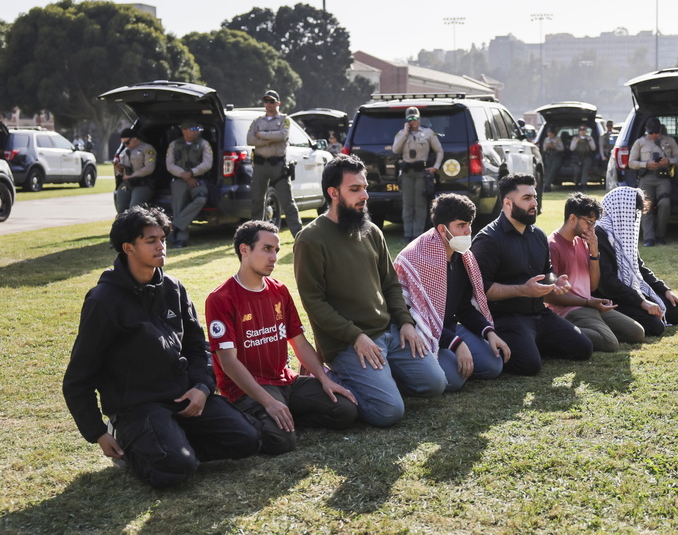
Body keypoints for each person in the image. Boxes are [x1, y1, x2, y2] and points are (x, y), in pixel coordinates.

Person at [62, 206, 261, 489]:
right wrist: (97, 432)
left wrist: (203, 388)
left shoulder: (174, 289)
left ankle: (172, 443)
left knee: (248, 439)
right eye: (151, 240)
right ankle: (149, 446)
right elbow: (78, 378)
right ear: (128, 248)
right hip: (138, 407)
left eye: (163, 239)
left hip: (183, 398)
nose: (161, 246)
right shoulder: (103, 301)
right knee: (176, 471)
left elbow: (197, 346)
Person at [293, 155, 447, 427]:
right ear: (333, 193)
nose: (364, 194)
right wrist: (355, 336)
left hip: (389, 332)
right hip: (348, 343)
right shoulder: (310, 238)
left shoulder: (372, 231)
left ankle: (382, 377)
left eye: (364, 187)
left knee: (436, 384)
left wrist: (406, 323)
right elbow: (313, 303)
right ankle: (329, 378)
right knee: (388, 412)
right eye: (355, 189)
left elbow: (390, 283)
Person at [205, 221, 357, 454]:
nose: (274, 257)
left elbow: (298, 341)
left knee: (346, 410)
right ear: (244, 250)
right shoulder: (220, 298)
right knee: (282, 442)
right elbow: (228, 362)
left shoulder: (279, 290)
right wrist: (267, 401)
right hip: (248, 388)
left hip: (285, 381)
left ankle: (284, 415)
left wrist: (325, 379)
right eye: (267, 249)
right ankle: (258, 417)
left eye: (276, 250)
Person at [471, 173, 593, 376]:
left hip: (540, 314)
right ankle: (525, 346)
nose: (534, 203)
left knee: (583, 349)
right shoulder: (488, 240)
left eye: (535, 197)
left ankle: (531, 344)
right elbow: (481, 290)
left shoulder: (537, 235)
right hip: (507, 318)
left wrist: (556, 281)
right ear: (508, 203)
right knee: (529, 366)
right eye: (527, 198)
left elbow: (548, 272)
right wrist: (523, 290)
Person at [394, 193, 510, 391]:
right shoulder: (416, 257)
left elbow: (464, 307)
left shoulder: (463, 256)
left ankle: (454, 362)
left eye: (469, 224)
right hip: (420, 332)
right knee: (455, 378)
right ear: (442, 229)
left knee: (494, 364)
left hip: (448, 328)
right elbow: (417, 318)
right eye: (461, 225)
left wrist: (488, 332)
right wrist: (457, 344)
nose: (468, 231)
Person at [547, 193, 645, 351]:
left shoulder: (583, 241)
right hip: (569, 310)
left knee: (636, 333)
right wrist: (587, 302)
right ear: (573, 218)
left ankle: (591, 330)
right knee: (610, 343)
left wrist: (594, 252)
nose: (593, 229)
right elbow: (550, 296)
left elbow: (593, 286)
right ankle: (557, 331)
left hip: (589, 304)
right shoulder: (553, 245)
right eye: (590, 222)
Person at [593, 187, 678, 337]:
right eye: (633, 212)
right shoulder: (599, 234)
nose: (635, 217)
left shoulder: (622, 228)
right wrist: (641, 302)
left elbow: (639, 268)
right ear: (621, 209)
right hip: (612, 297)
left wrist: (665, 290)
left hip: (631, 290)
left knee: (677, 312)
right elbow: (607, 284)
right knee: (655, 326)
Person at [247, 90, 302, 236]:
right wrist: (272, 137)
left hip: (278, 165)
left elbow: (282, 135)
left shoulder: (284, 119)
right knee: (257, 200)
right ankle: (256, 234)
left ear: (278, 103)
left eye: (271, 101)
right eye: (266, 101)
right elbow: (250, 140)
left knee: (287, 202)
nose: (268, 104)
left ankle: (298, 235)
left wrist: (262, 135)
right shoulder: (257, 121)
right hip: (260, 165)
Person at [627, 117, 678, 247]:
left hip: (663, 177)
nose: (653, 135)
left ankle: (660, 235)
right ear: (647, 131)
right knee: (646, 206)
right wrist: (646, 164)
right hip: (646, 177)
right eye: (651, 133)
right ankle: (649, 238)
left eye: (656, 132)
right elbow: (631, 162)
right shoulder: (640, 142)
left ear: (660, 130)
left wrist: (669, 161)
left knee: (665, 202)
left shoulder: (669, 141)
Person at [392, 106, 444, 243]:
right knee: (408, 205)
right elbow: (395, 149)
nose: (413, 121)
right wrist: (405, 134)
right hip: (407, 173)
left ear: (419, 119)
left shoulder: (428, 133)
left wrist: (435, 167)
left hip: (422, 173)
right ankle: (407, 234)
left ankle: (417, 235)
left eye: (415, 118)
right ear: (406, 120)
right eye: (410, 118)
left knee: (420, 205)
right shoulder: (401, 133)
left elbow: (439, 151)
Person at [165, 119, 212, 248]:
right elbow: (170, 165)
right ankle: (181, 239)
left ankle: (174, 226)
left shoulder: (204, 144)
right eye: (192, 129)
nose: (195, 132)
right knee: (178, 206)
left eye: (197, 129)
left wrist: (192, 173)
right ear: (184, 130)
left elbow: (207, 163)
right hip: (179, 179)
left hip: (198, 178)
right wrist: (184, 175)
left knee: (201, 199)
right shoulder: (174, 145)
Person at [114, 128, 156, 214]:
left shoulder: (147, 149)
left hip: (143, 183)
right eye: (123, 143)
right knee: (121, 209)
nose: (125, 145)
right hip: (127, 183)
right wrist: (119, 169)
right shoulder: (124, 152)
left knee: (134, 209)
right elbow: (123, 172)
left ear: (135, 138)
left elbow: (149, 168)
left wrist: (132, 176)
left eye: (127, 142)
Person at [570, 125, 597, 192]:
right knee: (577, 171)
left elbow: (593, 148)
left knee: (585, 171)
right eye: (581, 130)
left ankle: (583, 185)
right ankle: (576, 184)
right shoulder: (575, 138)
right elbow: (571, 148)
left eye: (584, 129)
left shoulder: (589, 138)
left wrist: (589, 141)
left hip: (586, 157)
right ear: (579, 131)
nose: (582, 131)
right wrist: (576, 141)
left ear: (586, 131)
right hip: (577, 158)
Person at [542, 128, 564, 192]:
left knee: (552, 171)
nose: (550, 136)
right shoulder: (546, 139)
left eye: (551, 135)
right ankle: (546, 186)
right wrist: (547, 146)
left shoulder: (558, 139)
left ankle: (546, 186)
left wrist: (554, 146)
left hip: (556, 156)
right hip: (548, 156)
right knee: (547, 171)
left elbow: (562, 148)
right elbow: (544, 149)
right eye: (548, 135)